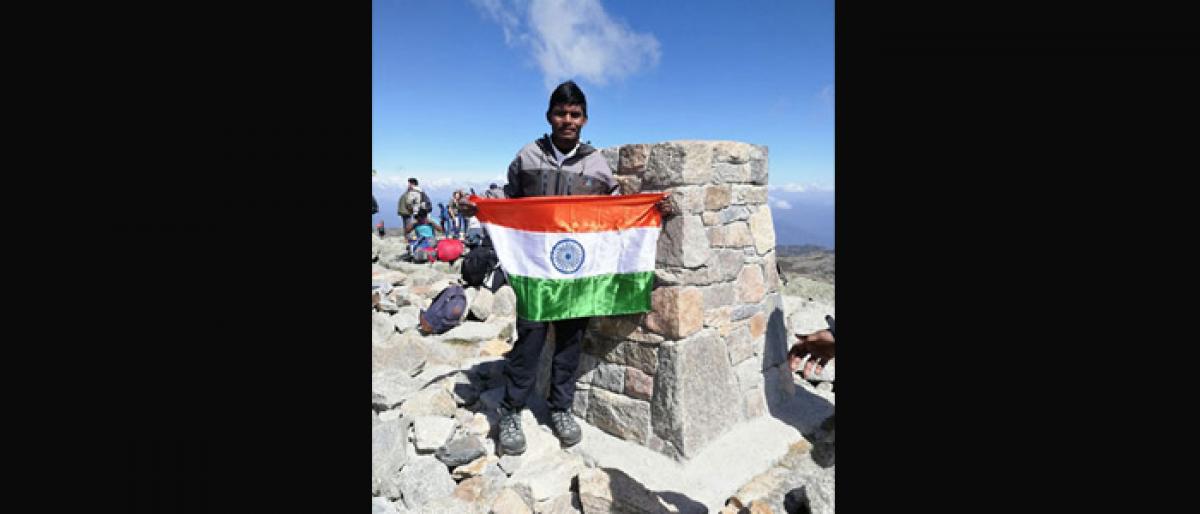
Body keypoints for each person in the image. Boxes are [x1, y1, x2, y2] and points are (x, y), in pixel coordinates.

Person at [457, 80, 674, 455]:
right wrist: (476, 205)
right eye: (561, 113)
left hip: (577, 276)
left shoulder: (596, 164)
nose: (567, 120)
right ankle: (511, 410)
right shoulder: (527, 156)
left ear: (584, 119)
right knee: (529, 341)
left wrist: (652, 209)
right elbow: (508, 197)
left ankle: (560, 409)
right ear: (549, 116)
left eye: (574, 114)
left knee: (571, 343)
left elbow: (614, 207)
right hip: (537, 272)